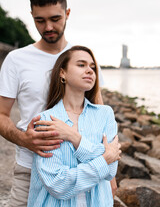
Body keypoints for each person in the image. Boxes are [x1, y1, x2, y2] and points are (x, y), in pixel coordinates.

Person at [0, 0, 117, 206]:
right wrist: (24, 139)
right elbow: (0, 115)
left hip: (83, 167)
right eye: (40, 20)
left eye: (55, 19)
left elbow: (99, 119)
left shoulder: (80, 60)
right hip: (29, 168)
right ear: (31, 15)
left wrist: (109, 173)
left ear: (67, 13)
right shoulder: (16, 60)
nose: (48, 27)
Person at [28, 46, 120, 206]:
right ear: (62, 73)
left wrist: (73, 137)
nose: (90, 71)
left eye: (92, 67)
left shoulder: (105, 114)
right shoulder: (46, 120)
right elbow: (57, 184)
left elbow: (111, 171)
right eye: (81, 65)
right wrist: (104, 158)